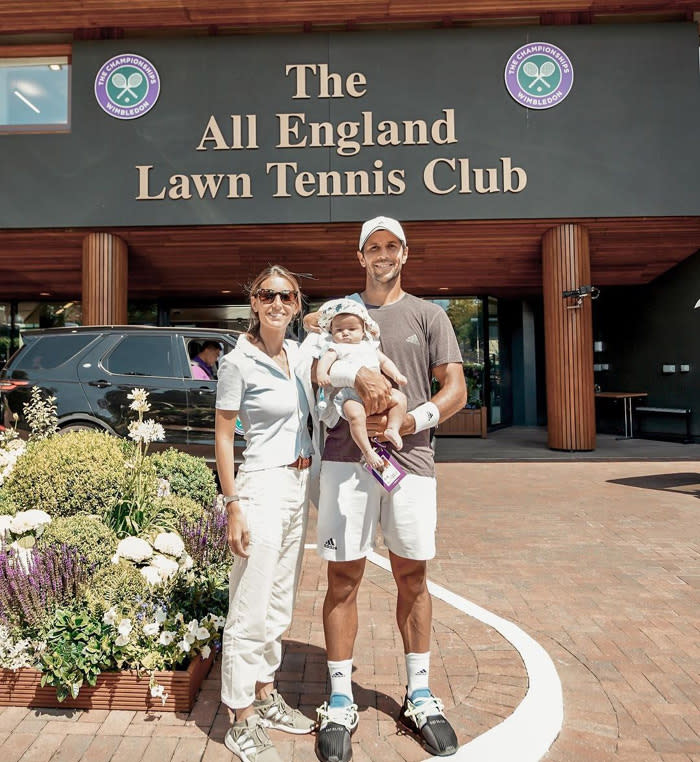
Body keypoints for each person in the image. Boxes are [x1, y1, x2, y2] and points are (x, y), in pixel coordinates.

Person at [312, 216, 467, 762]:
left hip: (409, 459)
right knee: (343, 575)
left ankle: (420, 695)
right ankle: (338, 699)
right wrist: (353, 377)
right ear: (360, 256)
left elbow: (455, 389)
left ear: (405, 253)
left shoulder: (429, 314)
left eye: (392, 246)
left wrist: (410, 419)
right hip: (343, 458)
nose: (383, 255)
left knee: (413, 573)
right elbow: (312, 368)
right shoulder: (337, 312)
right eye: (373, 247)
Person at [215, 265, 318, 762]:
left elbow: (334, 325)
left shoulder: (296, 352)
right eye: (268, 295)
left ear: (296, 305)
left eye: (288, 296)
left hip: (299, 484)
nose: (278, 303)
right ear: (253, 302)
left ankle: (264, 691)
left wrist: (322, 317)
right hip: (261, 486)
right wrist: (233, 504)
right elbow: (222, 436)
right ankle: (240, 718)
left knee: (279, 602)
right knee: (250, 604)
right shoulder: (238, 362)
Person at [314, 297, 407, 471]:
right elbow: (325, 360)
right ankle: (367, 450)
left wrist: (397, 375)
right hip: (351, 395)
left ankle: (393, 429)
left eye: (351, 329)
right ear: (331, 332)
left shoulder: (370, 347)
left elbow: (385, 362)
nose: (345, 333)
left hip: (380, 392)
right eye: (339, 329)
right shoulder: (337, 347)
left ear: (363, 330)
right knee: (355, 416)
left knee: (400, 398)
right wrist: (322, 373)